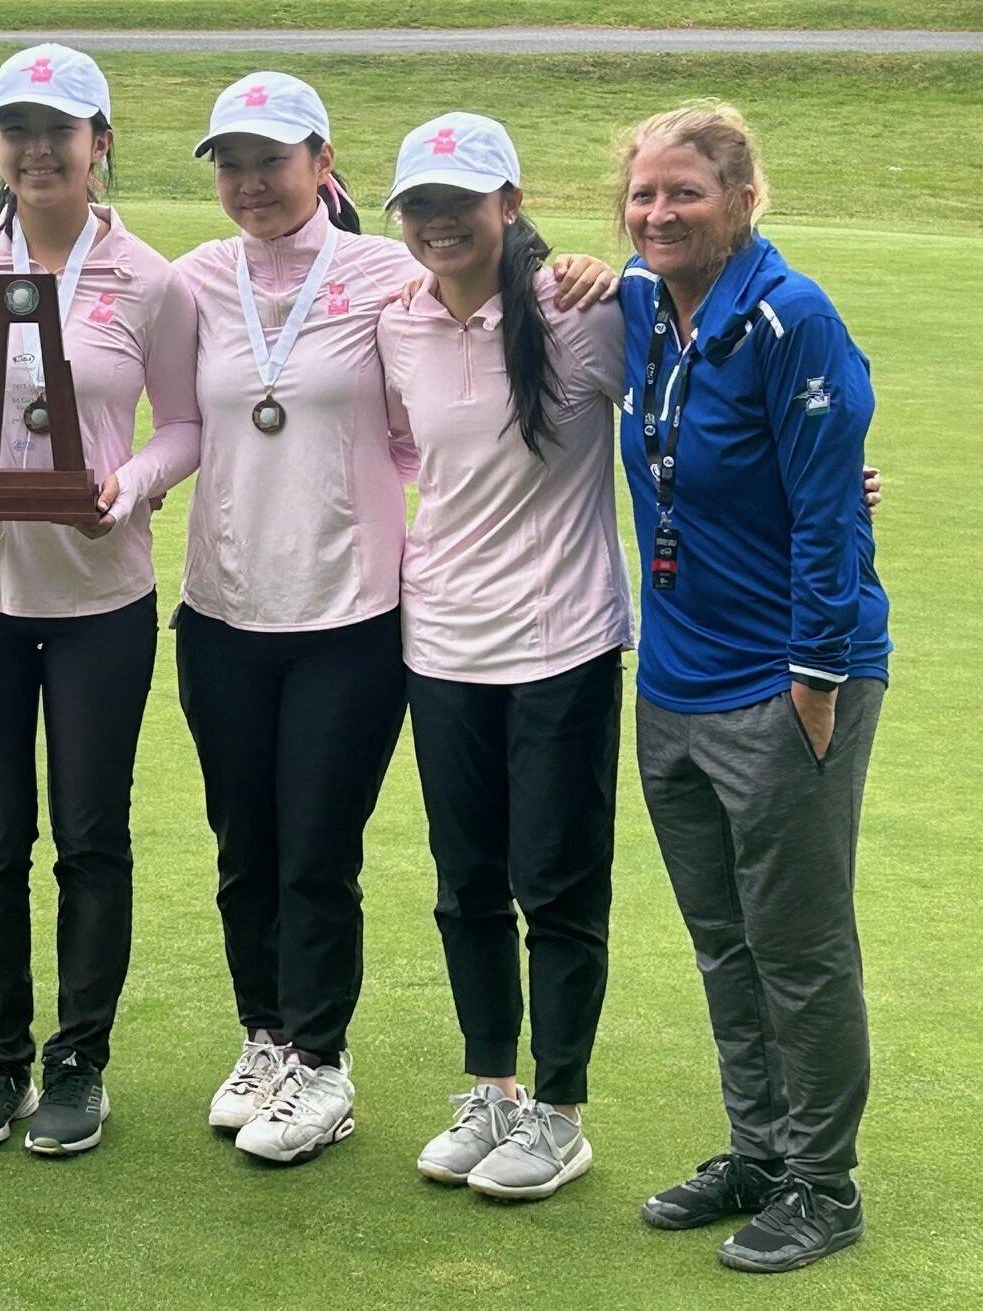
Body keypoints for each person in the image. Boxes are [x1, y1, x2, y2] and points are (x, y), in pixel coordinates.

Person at [0, 43, 200, 1155]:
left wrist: (131, 487)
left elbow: (184, 422)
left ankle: (79, 1060)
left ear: (99, 144)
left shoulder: (151, 279)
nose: (36, 149)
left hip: (99, 596)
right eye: (16, 129)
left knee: (89, 835)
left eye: (58, 129)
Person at [616, 102, 890, 1274]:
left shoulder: (791, 317)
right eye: (641, 194)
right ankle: (761, 1150)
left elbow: (830, 513)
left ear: (741, 197)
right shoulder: (632, 303)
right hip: (670, 681)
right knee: (723, 941)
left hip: (782, 683)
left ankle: (824, 1186)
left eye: (684, 192)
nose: (658, 213)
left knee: (799, 944)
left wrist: (816, 677)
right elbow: (487, 257)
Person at [166, 72, 416, 1165]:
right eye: (229, 163)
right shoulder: (190, 284)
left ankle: (321, 1061)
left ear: (321, 162)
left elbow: (479, 346)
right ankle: (263, 1034)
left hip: (349, 612)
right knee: (244, 842)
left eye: (270, 159)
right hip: (221, 609)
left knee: (317, 845)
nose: (249, 182)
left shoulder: (385, 273)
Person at [378, 112, 629, 1201]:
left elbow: (693, 417)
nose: (439, 222)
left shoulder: (580, 314)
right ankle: (490, 1086)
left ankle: (559, 1110)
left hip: (561, 641)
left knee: (557, 884)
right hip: (440, 642)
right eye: (421, 204)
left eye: (461, 202)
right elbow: (398, 447)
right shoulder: (395, 323)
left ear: (508, 205)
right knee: (466, 881)